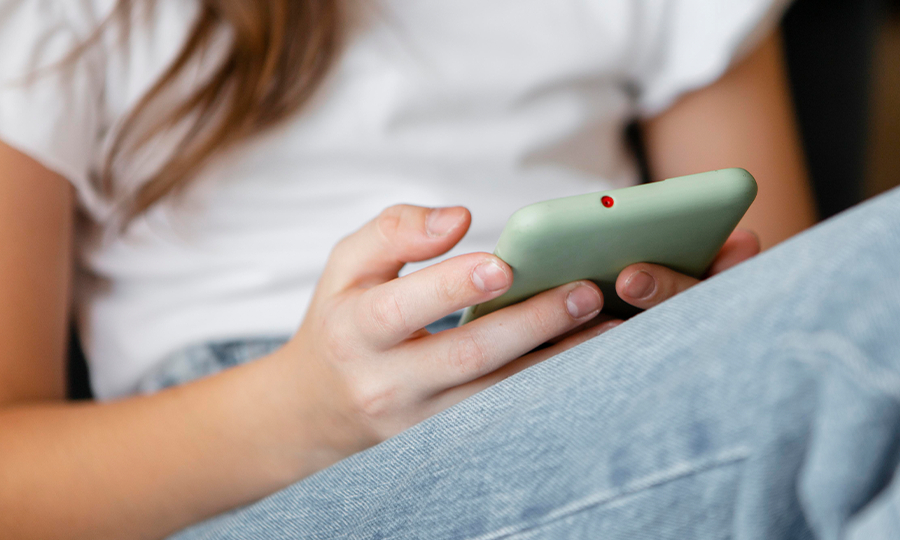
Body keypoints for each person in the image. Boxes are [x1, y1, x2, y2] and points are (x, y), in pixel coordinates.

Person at [0, 0, 818, 538]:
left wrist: (697, 321)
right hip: (250, 461)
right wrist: (306, 413)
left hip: (606, 384)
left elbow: (793, 312)